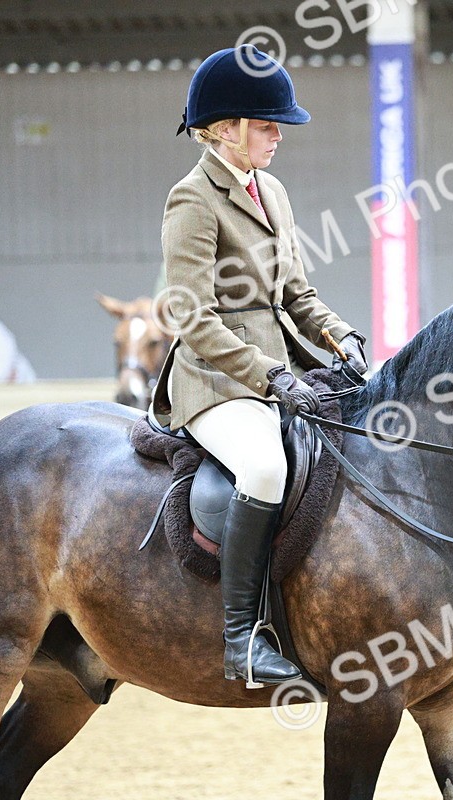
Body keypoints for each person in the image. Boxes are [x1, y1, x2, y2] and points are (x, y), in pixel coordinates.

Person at [151, 45, 368, 688]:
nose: (278, 136)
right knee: (266, 464)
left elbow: (296, 294)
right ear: (225, 129)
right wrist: (270, 378)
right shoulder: (192, 199)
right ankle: (242, 638)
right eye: (267, 124)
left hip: (281, 366)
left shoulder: (272, 189)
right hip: (215, 379)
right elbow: (194, 317)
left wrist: (341, 336)